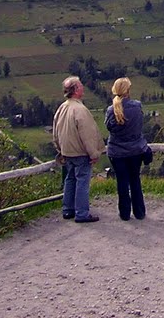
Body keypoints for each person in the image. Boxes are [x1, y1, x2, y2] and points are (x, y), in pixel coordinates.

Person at [52, 75, 102, 223]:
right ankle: (82, 213)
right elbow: (88, 135)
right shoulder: (80, 110)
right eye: (80, 85)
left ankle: (68, 210)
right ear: (75, 90)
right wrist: (94, 153)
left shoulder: (62, 108)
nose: (83, 87)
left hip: (67, 152)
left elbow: (55, 132)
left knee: (70, 179)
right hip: (80, 153)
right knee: (82, 182)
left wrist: (60, 149)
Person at [105, 77, 148, 221]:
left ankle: (124, 213)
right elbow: (139, 125)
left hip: (117, 152)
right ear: (128, 90)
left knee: (122, 182)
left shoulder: (111, 110)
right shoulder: (136, 106)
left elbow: (109, 128)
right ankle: (139, 212)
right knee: (135, 179)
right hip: (135, 151)